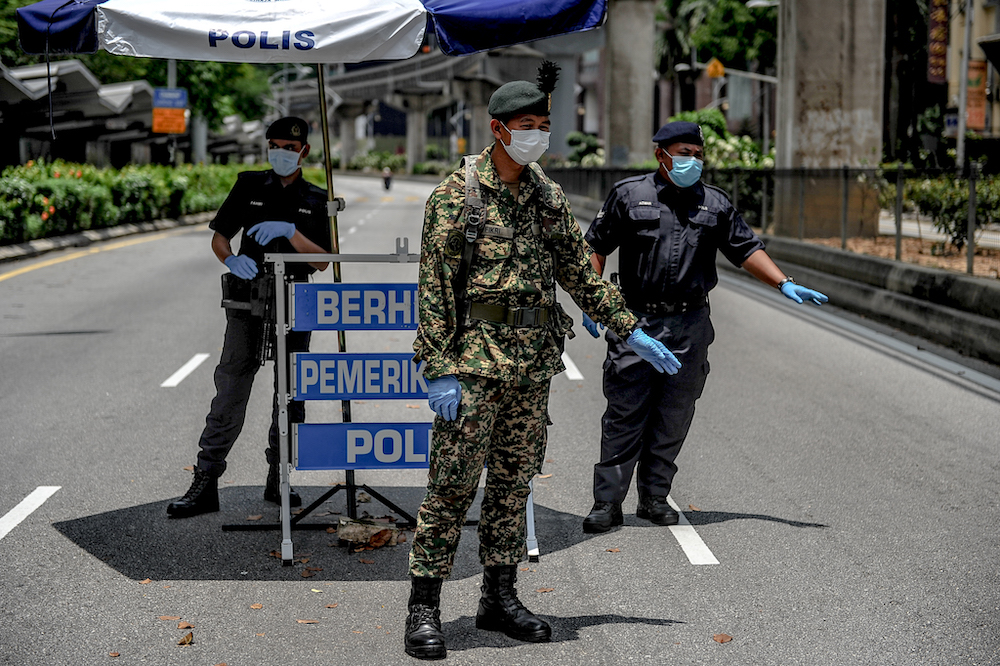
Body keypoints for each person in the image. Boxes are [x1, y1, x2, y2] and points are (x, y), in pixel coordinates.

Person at [403, 63, 681, 661]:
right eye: (527, 125)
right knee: (451, 488)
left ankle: (498, 599)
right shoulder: (457, 196)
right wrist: (438, 366)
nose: (538, 135)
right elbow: (433, 288)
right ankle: (423, 607)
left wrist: (628, 328)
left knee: (512, 485)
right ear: (499, 129)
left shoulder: (546, 195)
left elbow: (580, 274)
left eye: (544, 125)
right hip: (473, 366)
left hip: (530, 368)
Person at [580, 120, 828, 534]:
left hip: (689, 323)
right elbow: (596, 246)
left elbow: (746, 249)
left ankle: (654, 497)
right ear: (660, 154)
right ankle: (607, 503)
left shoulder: (714, 204)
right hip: (635, 320)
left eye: (697, 155)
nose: (691, 161)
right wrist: (593, 301)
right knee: (625, 412)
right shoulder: (630, 195)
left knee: (674, 413)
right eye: (683, 153)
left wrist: (784, 283)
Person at [167, 116, 331, 519]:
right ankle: (206, 480)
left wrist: (291, 232)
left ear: (304, 152)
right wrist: (231, 258)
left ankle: (280, 476)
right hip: (250, 298)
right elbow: (220, 235)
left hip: (296, 298)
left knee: (290, 393)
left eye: (290, 148)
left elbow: (324, 261)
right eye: (275, 146)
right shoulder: (248, 184)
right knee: (231, 387)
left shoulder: (316, 197)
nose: (282, 153)